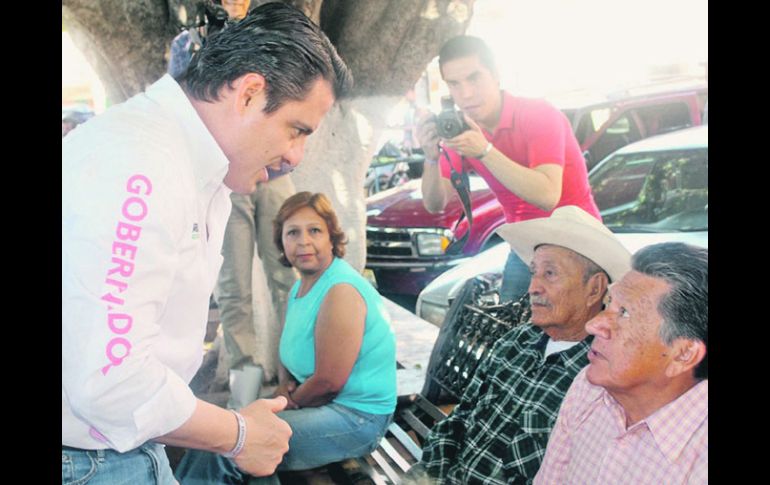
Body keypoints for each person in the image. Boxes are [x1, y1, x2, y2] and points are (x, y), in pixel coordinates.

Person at [62, 3, 353, 484]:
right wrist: (239, 434)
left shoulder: (185, 160)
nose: (295, 157)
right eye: (296, 130)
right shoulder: (145, 165)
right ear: (250, 93)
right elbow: (109, 379)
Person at [174, 192, 397, 483]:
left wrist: (287, 401)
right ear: (281, 242)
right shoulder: (299, 290)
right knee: (225, 435)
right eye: (292, 232)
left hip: (357, 419)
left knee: (231, 445)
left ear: (332, 237)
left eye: (314, 230)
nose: (303, 241)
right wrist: (282, 389)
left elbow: (329, 383)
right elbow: (288, 354)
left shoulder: (340, 291)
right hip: (321, 406)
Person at [403, 205, 631, 484]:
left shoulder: (600, 379)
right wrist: (426, 477)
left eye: (550, 274)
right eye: (533, 273)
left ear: (594, 289)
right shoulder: (515, 342)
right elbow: (458, 421)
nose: (533, 287)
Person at [416, 35, 601, 303]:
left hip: (577, 242)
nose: (465, 94)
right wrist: (431, 159)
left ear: (496, 75)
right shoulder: (461, 129)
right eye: (454, 84)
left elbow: (547, 193)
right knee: (513, 341)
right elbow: (435, 204)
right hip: (525, 248)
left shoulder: (537, 113)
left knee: (577, 338)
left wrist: (485, 152)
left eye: (474, 78)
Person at [534, 242, 708, 484]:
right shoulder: (588, 387)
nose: (593, 325)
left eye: (624, 313)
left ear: (683, 354)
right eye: (608, 304)